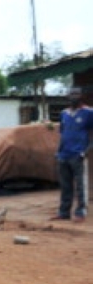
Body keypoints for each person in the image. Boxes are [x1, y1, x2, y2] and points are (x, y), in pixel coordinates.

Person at [53, 87, 93, 223]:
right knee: (65, 185)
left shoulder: (88, 112)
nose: (73, 96)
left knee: (81, 185)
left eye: (76, 94)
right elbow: (62, 134)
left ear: (81, 95)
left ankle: (80, 212)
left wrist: (85, 151)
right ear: (67, 96)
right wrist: (58, 152)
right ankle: (64, 212)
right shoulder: (64, 113)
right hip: (64, 154)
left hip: (78, 154)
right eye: (71, 94)